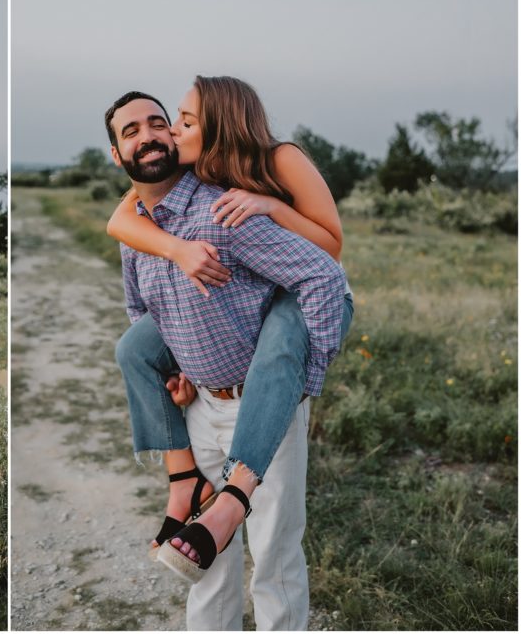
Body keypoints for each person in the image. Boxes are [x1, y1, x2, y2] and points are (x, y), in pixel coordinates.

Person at [106, 80, 352, 630]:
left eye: (172, 121)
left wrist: (306, 381)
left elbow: (327, 257)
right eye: (135, 130)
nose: (161, 133)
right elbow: (140, 310)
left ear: (214, 127)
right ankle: (184, 482)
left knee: (274, 558)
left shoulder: (242, 193)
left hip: (264, 401)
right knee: (206, 566)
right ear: (117, 153)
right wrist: (177, 368)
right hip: (200, 405)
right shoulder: (137, 229)